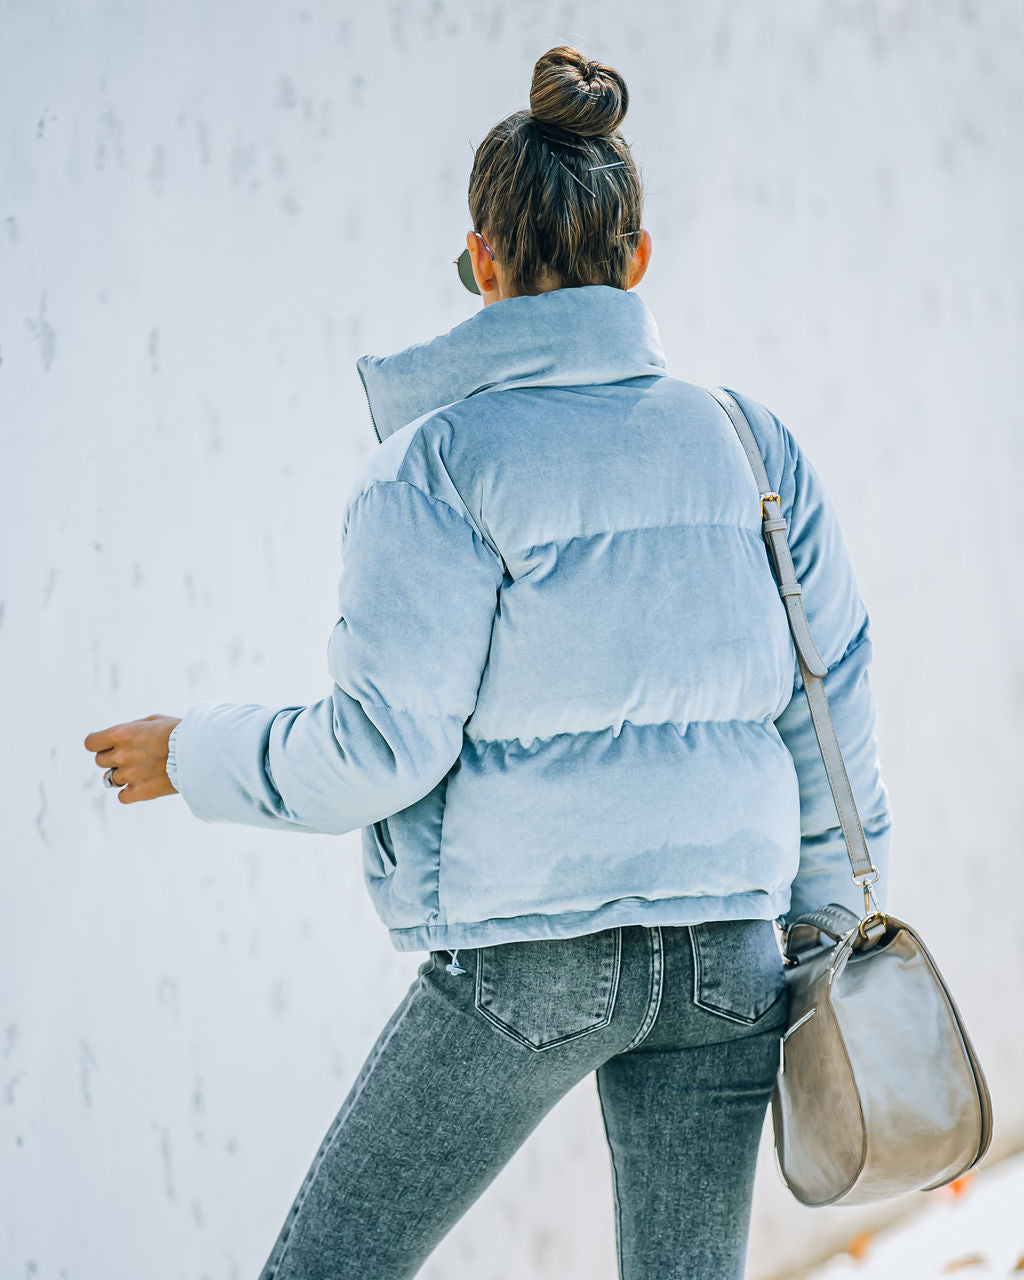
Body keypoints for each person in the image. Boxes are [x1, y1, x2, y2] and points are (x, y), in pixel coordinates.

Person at [84, 44, 891, 1280]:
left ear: (483, 258)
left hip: (532, 959)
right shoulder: (749, 442)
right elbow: (826, 702)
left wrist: (190, 750)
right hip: (731, 950)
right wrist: (826, 911)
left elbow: (380, 749)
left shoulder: (441, 464)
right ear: (637, 258)